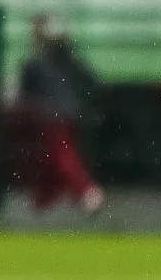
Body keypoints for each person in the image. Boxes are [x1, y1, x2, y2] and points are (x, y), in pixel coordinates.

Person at [16, 14, 104, 214]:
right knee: (51, 156)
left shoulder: (41, 61)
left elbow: (26, 89)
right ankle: (44, 199)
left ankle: (86, 190)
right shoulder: (60, 59)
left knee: (62, 154)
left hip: (54, 114)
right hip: (65, 112)